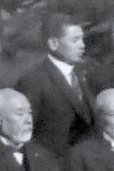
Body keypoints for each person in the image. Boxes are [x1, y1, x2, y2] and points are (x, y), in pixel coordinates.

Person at [14, 13, 95, 161]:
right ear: (53, 44)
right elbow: (23, 133)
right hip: (55, 167)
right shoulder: (33, 81)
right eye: (75, 40)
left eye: (82, 39)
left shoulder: (85, 74)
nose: (82, 45)